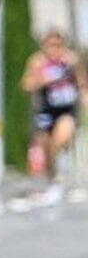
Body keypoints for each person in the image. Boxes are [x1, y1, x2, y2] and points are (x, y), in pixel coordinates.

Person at [20, 28, 87, 204]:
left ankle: (63, 154)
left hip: (66, 110)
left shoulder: (71, 61)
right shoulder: (37, 62)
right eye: (50, 46)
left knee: (61, 137)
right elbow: (26, 85)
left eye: (58, 46)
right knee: (47, 147)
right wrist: (41, 80)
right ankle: (53, 182)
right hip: (46, 110)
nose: (54, 50)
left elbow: (82, 84)